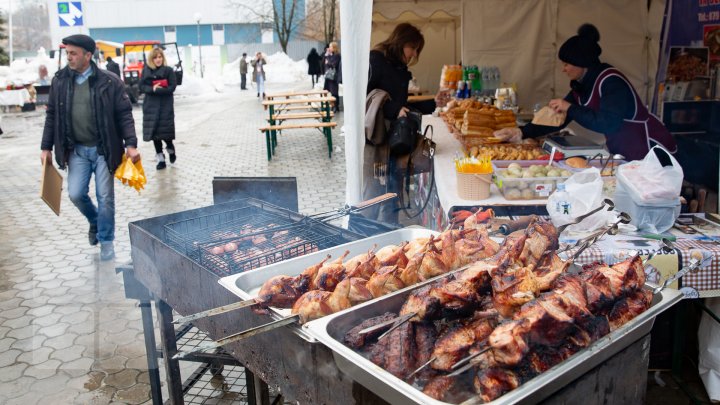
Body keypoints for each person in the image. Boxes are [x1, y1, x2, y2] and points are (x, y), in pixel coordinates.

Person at [494, 23, 677, 161]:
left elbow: (608, 123)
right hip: (622, 148)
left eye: (567, 64)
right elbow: (558, 119)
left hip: (648, 148)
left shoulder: (611, 81)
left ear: (582, 63)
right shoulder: (582, 84)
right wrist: (521, 132)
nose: (563, 69)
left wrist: (570, 107)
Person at [40, 34, 140, 261]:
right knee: (75, 194)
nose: (69, 57)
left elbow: (124, 115)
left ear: (88, 55)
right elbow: (52, 116)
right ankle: (95, 221)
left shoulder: (109, 81)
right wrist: (45, 147)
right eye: (67, 53)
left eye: (73, 53)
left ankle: (106, 240)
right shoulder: (60, 81)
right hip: (75, 150)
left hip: (104, 150)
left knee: (105, 196)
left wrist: (131, 144)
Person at [363, 23, 426, 224]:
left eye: (417, 50)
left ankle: (390, 238)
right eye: (413, 48)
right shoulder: (376, 60)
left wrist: (434, 104)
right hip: (377, 141)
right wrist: (392, 110)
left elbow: (401, 104)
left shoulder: (400, 67)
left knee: (393, 191)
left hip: (396, 141)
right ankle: (364, 236)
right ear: (401, 42)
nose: (414, 54)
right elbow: (363, 98)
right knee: (374, 191)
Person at [139, 47, 177, 170]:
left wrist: (160, 90)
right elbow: (142, 86)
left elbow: (172, 87)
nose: (158, 59)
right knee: (155, 135)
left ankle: (170, 149)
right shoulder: (146, 71)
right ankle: (161, 159)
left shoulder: (168, 70)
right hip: (151, 106)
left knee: (166, 133)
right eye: (155, 57)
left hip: (165, 106)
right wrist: (152, 89)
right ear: (151, 59)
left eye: (160, 57)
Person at [323, 42, 341, 112]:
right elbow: (325, 63)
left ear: (334, 48)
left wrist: (328, 61)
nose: (329, 48)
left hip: (334, 77)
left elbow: (333, 64)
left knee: (334, 92)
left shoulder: (337, 55)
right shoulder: (330, 55)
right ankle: (333, 105)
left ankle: (336, 106)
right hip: (329, 76)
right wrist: (327, 56)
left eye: (330, 47)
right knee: (330, 91)